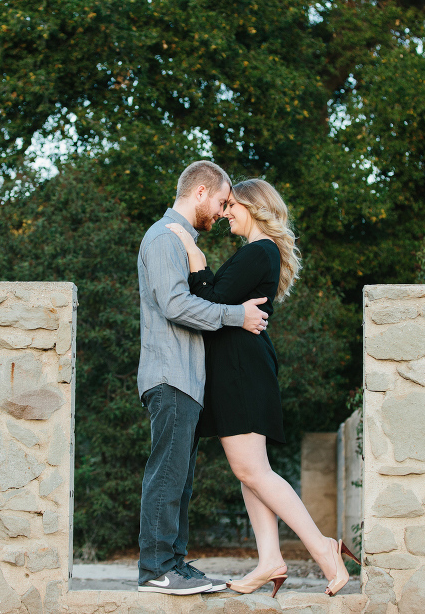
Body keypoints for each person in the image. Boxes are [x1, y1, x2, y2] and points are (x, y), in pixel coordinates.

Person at [166, 178, 360, 598]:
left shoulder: (260, 251)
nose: (225, 212)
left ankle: (324, 550)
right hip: (239, 367)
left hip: (242, 369)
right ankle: (270, 559)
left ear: (254, 208)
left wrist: (195, 257)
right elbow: (222, 303)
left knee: (253, 470)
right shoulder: (255, 253)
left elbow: (212, 298)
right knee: (249, 472)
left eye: (232, 205)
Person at [136, 161, 271, 596]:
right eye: (220, 200)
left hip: (188, 379)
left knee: (181, 479)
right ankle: (157, 568)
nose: (221, 210)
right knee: (167, 474)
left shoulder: (184, 242)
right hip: (170, 374)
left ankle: (174, 564)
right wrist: (237, 316)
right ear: (200, 192)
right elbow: (176, 305)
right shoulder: (163, 238)